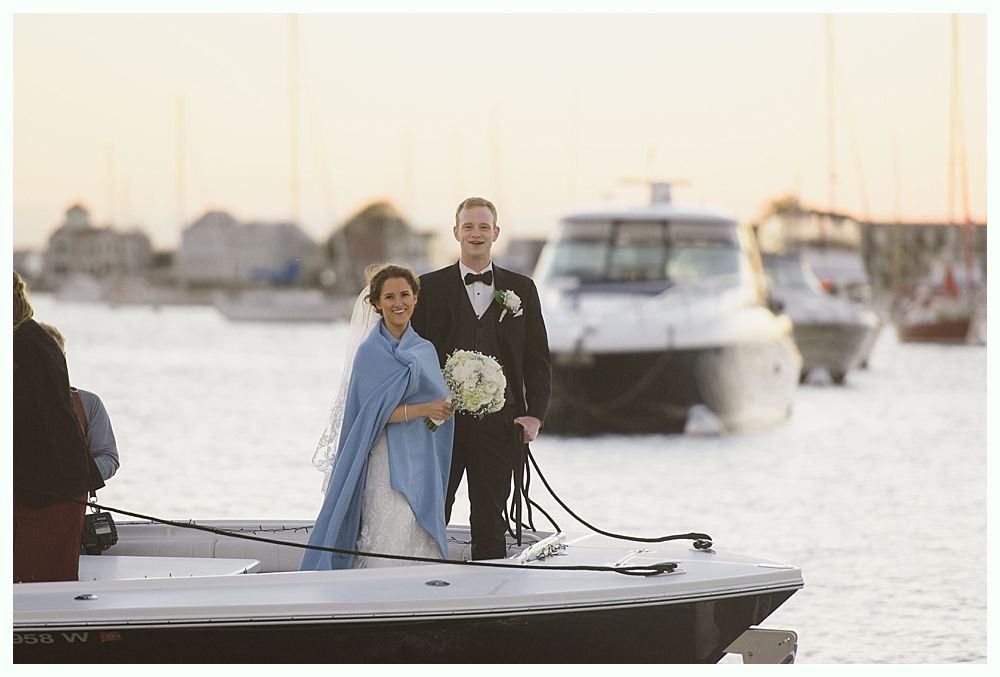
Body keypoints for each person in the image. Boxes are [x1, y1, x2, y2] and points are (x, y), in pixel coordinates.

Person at [411, 197, 551, 560]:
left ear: (496, 233)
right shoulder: (429, 287)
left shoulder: (523, 289)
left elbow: (538, 359)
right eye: (469, 227)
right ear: (456, 232)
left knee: (491, 517)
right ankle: (421, 586)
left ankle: (489, 596)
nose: (476, 234)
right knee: (432, 510)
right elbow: (412, 356)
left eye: (483, 227)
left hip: (501, 426)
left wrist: (535, 415)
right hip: (440, 424)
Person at [301, 264, 455, 570]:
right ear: (376, 303)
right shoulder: (370, 352)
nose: (398, 303)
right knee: (392, 520)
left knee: (416, 524)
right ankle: (379, 587)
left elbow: (439, 406)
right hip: (385, 458)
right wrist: (425, 409)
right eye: (389, 297)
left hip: (420, 455)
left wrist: (445, 408)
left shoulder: (425, 350)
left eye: (404, 295)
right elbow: (370, 415)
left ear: (415, 298)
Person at [13, 271, 104, 583]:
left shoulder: (32, 342)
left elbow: (52, 416)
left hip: (49, 489)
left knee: (42, 579)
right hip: (31, 485)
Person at [38, 322, 120, 482]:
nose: (47, 362)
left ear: (63, 358)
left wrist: (76, 474)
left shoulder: (89, 403)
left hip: (69, 500)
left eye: (53, 354)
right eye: (39, 356)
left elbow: (108, 457)